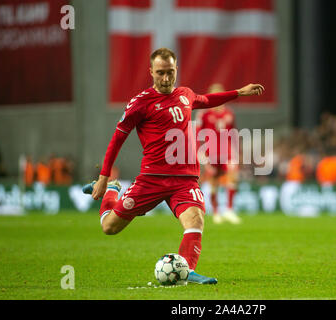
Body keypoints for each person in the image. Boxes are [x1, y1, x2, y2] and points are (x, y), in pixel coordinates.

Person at [82, 48, 264, 285]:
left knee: (195, 219)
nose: (166, 79)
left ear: (176, 69)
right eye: (160, 73)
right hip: (152, 179)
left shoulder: (185, 94)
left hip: (185, 178)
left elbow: (207, 100)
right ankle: (112, 192)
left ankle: (187, 270)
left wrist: (239, 92)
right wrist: (104, 177)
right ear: (151, 72)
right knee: (109, 227)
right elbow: (117, 139)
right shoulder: (140, 103)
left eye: (170, 72)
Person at [196, 83, 241, 224]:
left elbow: (233, 133)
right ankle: (216, 212)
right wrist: (200, 153)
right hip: (211, 152)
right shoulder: (204, 113)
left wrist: (237, 151)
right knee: (214, 182)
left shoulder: (229, 114)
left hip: (227, 152)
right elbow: (197, 135)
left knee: (233, 177)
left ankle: (229, 210)